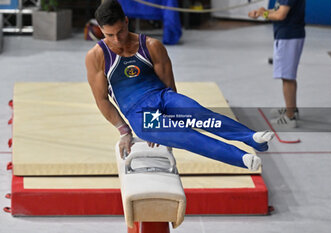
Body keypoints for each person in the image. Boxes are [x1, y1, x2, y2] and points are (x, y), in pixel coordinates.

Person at [85, 0, 274, 171]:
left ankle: (251, 138)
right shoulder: (97, 57)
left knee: (199, 114)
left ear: (126, 21)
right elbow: (102, 100)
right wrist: (124, 131)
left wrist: (173, 114)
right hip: (139, 114)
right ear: (101, 30)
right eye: (110, 35)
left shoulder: (151, 45)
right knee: (185, 136)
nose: (117, 40)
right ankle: (241, 158)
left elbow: (169, 86)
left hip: (163, 97)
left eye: (120, 32)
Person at [248, 0, 305, 128]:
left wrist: (265, 15)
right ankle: (291, 108)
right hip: (287, 35)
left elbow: (281, 15)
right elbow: (279, 10)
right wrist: (263, 12)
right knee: (288, 76)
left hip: (288, 37)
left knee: (287, 78)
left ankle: (289, 117)